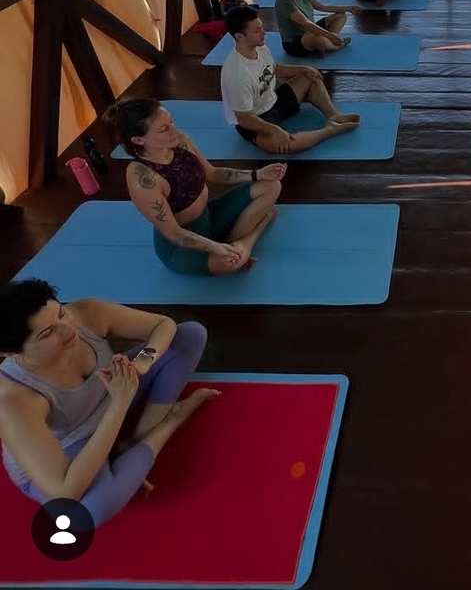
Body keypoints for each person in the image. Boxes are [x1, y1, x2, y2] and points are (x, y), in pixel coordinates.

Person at [0, 279, 217, 526]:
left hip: (113, 393)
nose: (67, 329)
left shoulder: (87, 313)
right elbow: (65, 492)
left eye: (61, 313)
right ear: (11, 353)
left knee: (190, 335)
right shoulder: (13, 401)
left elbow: (162, 325)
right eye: (47, 333)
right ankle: (168, 423)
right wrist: (119, 405)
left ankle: (135, 441)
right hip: (70, 445)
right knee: (84, 514)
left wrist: (143, 362)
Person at [106, 98, 286, 277]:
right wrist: (216, 247)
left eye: (171, 122)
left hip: (209, 216)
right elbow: (174, 233)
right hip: (180, 247)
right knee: (232, 261)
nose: (174, 130)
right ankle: (259, 228)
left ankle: (233, 244)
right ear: (139, 140)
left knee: (271, 185)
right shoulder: (143, 178)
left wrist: (257, 174)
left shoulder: (181, 142)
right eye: (164, 129)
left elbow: (213, 173)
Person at [220, 6, 360, 157]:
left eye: (262, 27)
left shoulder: (260, 48)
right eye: (257, 31)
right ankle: (330, 130)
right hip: (255, 120)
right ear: (239, 36)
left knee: (310, 77)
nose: (264, 32)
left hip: (274, 102)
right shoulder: (237, 74)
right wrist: (274, 129)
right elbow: (244, 119)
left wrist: (304, 69)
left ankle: (333, 115)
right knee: (286, 145)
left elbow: (273, 68)